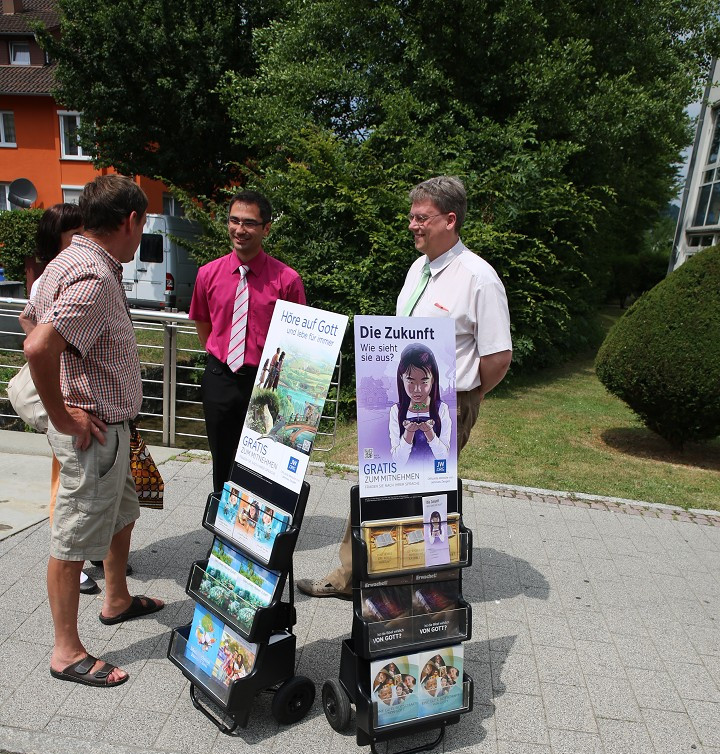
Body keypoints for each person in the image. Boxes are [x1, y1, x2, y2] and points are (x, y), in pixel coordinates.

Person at [298, 174, 512, 598]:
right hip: (400, 397)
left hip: (448, 403)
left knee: (422, 488)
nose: (412, 225)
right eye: (411, 217)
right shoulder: (419, 269)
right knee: (377, 478)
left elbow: (498, 357)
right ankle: (353, 575)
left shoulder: (479, 278)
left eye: (421, 218)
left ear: (450, 220)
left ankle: (409, 585)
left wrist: (468, 398)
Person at [22, 175, 164, 688]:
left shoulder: (69, 260)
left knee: (123, 511)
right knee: (73, 538)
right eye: (142, 223)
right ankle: (66, 652)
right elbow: (38, 346)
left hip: (113, 429)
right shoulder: (94, 277)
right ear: (130, 221)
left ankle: (117, 598)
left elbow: (28, 315)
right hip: (94, 435)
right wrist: (64, 416)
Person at [189, 190, 306, 492]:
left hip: (266, 384)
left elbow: (296, 340)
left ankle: (259, 533)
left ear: (266, 228)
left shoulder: (286, 280)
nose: (240, 230)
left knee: (264, 461)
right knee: (222, 460)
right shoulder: (207, 274)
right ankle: (224, 533)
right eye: (234, 220)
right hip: (220, 379)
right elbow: (204, 326)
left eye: (250, 223)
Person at [21, 205, 98, 596]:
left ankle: (93, 552)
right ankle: (76, 565)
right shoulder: (62, 273)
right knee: (66, 484)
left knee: (80, 482)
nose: (84, 238)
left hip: (80, 400)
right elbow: (33, 337)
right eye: (76, 232)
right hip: (70, 403)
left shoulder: (62, 270)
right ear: (58, 237)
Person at [390, 343, 451, 466]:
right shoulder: (396, 411)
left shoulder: (441, 409)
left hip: (434, 477)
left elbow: (444, 457)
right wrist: (408, 434)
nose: (417, 389)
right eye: (411, 381)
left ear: (433, 379)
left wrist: (430, 433)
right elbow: (398, 461)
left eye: (424, 382)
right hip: (406, 477)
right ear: (401, 378)